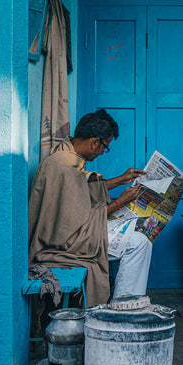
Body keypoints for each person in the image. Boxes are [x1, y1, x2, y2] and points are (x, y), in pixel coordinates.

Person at [28, 109, 152, 306]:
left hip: (69, 231)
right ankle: (124, 306)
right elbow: (78, 221)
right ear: (95, 141)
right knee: (138, 242)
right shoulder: (64, 167)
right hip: (64, 242)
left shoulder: (64, 153)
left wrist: (121, 179)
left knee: (135, 230)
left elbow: (81, 191)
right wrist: (121, 202)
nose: (103, 151)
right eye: (105, 147)